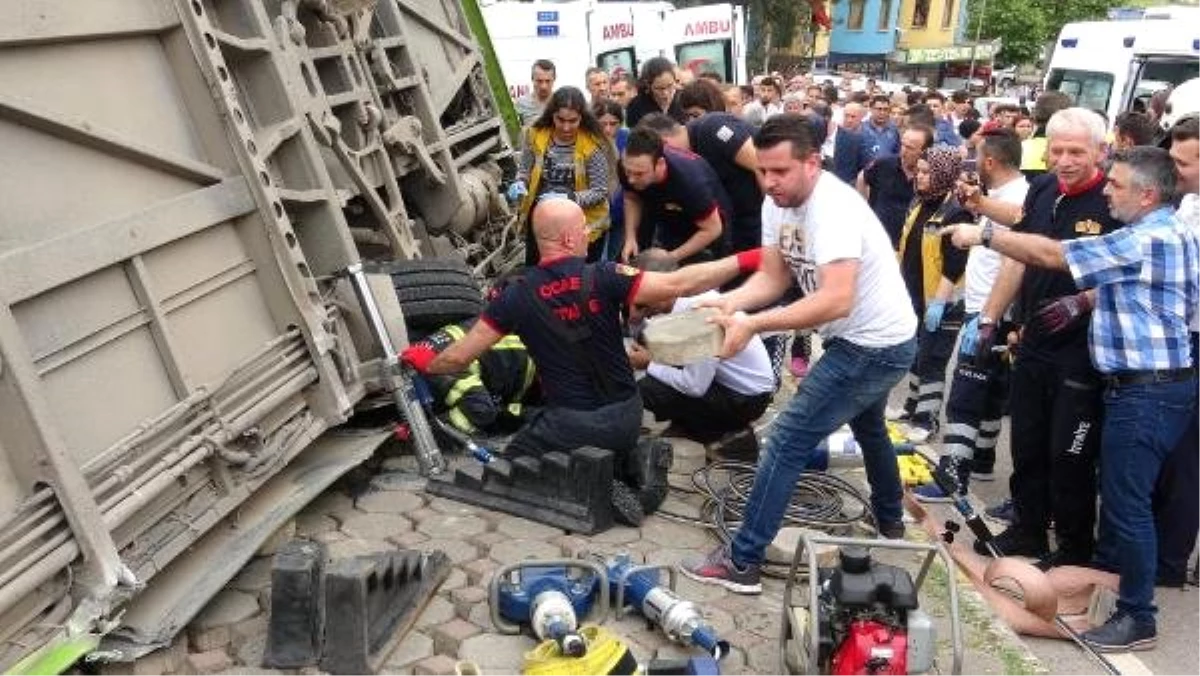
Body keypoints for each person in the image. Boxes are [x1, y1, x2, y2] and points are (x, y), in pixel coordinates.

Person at [942, 145, 1199, 653]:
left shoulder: (1149, 237)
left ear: (1147, 194)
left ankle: (1137, 617)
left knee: (1128, 507)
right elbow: (1136, 289)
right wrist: (1083, 298)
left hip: (1147, 390)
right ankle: (1122, 601)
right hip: (1153, 386)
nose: (1106, 191)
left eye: (1116, 184)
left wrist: (988, 234)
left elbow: (1054, 254)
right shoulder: (1164, 232)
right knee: (1129, 501)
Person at [401, 199, 765, 525]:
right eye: (584, 228)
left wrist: (423, 362)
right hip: (628, 414)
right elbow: (680, 284)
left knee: (510, 467)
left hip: (573, 423)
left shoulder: (514, 297)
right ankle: (630, 462)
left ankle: (597, 485)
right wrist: (749, 259)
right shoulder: (605, 276)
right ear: (570, 238)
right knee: (578, 434)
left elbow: (459, 357)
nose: (589, 233)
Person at [678, 114, 918, 594]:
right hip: (860, 339)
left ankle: (742, 561)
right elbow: (773, 278)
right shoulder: (778, 204)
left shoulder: (835, 210)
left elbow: (834, 299)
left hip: (874, 345)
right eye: (763, 171)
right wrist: (729, 302)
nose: (769, 183)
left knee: (786, 440)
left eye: (780, 172)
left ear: (813, 162)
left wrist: (752, 324)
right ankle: (892, 525)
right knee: (870, 427)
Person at [962, 108, 1119, 569]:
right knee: (1026, 441)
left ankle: (1073, 548)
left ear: (1100, 152)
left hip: (1082, 350)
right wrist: (991, 317)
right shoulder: (1045, 188)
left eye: (1077, 151)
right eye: (1058, 150)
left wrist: (1084, 300)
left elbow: (1126, 270)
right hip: (1032, 338)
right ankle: (1028, 528)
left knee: (1068, 453)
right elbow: (1018, 256)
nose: (1065, 160)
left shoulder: (1111, 201)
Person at [913, 129, 1028, 500]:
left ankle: (952, 475)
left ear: (990, 161)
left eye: (977, 156)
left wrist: (987, 316)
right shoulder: (999, 197)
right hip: (986, 309)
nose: (974, 163)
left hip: (991, 313)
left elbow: (1014, 261)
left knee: (966, 393)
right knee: (992, 392)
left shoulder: (1016, 200)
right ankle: (981, 460)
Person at [627, 251, 775, 447]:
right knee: (659, 352)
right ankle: (692, 425)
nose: (638, 300)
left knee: (650, 389)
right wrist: (635, 319)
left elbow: (694, 386)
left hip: (745, 400)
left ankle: (716, 431)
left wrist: (649, 364)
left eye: (642, 294)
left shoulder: (698, 314)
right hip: (734, 388)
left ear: (662, 289)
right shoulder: (684, 300)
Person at [890, 147, 973, 443]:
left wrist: (939, 302)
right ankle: (912, 408)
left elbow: (955, 263)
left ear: (943, 174)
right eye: (920, 171)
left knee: (933, 361)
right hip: (914, 295)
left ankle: (927, 420)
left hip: (942, 301)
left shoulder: (956, 211)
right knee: (916, 356)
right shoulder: (920, 202)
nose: (920, 177)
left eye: (927, 172)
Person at [1156, 108, 1200, 587]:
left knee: (1186, 458)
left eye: (1182, 163)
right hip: (1182, 337)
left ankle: (1169, 564)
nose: (1173, 169)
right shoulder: (1186, 205)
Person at [510, 87, 616, 265]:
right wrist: (520, 182)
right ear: (552, 115)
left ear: (581, 117)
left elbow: (600, 191)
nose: (566, 127)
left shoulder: (592, 145)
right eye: (561, 120)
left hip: (584, 229)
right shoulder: (535, 135)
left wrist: (570, 198)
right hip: (544, 224)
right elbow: (525, 169)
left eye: (573, 121)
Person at [636, 113, 762, 252]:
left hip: (760, 217)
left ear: (663, 144)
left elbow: (762, 167)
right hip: (735, 224)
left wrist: (773, 218)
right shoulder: (682, 166)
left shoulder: (712, 129)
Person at [619, 128, 731, 264]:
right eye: (628, 172)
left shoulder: (689, 182)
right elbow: (632, 197)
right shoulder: (628, 165)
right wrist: (630, 237)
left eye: (639, 174)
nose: (631, 179)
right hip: (666, 215)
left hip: (707, 228)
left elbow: (713, 229)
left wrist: (672, 257)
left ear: (660, 164)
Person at [418, 319, 538, 435]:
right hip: (450, 362)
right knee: (485, 413)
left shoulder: (436, 374)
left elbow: (485, 410)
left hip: (433, 353)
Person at [859, 125, 933, 246]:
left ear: (925, 151)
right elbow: (862, 177)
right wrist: (864, 208)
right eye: (903, 145)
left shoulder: (931, 175)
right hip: (879, 242)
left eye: (910, 148)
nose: (903, 151)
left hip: (911, 246)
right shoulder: (884, 164)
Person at [594, 98, 630, 262]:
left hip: (621, 208)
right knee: (598, 257)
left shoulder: (627, 138)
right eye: (603, 124)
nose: (608, 129)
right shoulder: (589, 142)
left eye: (613, 123)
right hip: (595, 211)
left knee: (614, 255)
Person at [625, 57, 685, 129]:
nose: (665, 93)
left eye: (670, 86)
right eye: (659, 88)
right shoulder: (636, 106)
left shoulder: (684, 98)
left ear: (675, 80)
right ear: (648, 85)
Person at [861, 94, 901, 163]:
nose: (882, 112)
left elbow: (897, 153)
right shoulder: (861, 128)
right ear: (871, 109)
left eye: (885, 109)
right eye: (879, 109)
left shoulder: (894, 130)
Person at [516, 60, 556, 125]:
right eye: (539, 81)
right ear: (532, 79)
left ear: (554, 79)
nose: (544, 86)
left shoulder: (561, 103)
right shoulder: (520, 104)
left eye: (548, 81)